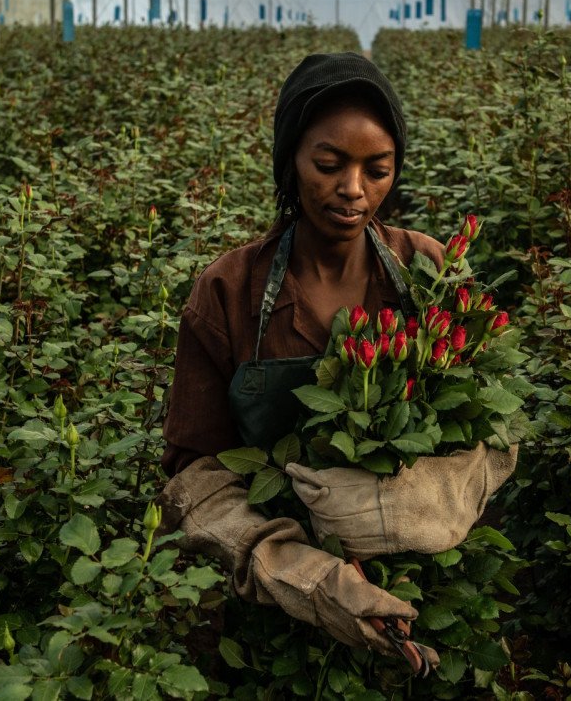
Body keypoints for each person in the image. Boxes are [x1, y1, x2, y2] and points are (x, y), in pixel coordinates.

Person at [158, 51, 516, 661]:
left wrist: (405, 504)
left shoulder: (429, 271)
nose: (353, 190)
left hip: (424, 593)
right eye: (329, 165)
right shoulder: (228, 291)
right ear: (290, 162)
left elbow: (494, 427)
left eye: (377, 170)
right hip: (270, 617)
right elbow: (194, 473)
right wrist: (308, 574)